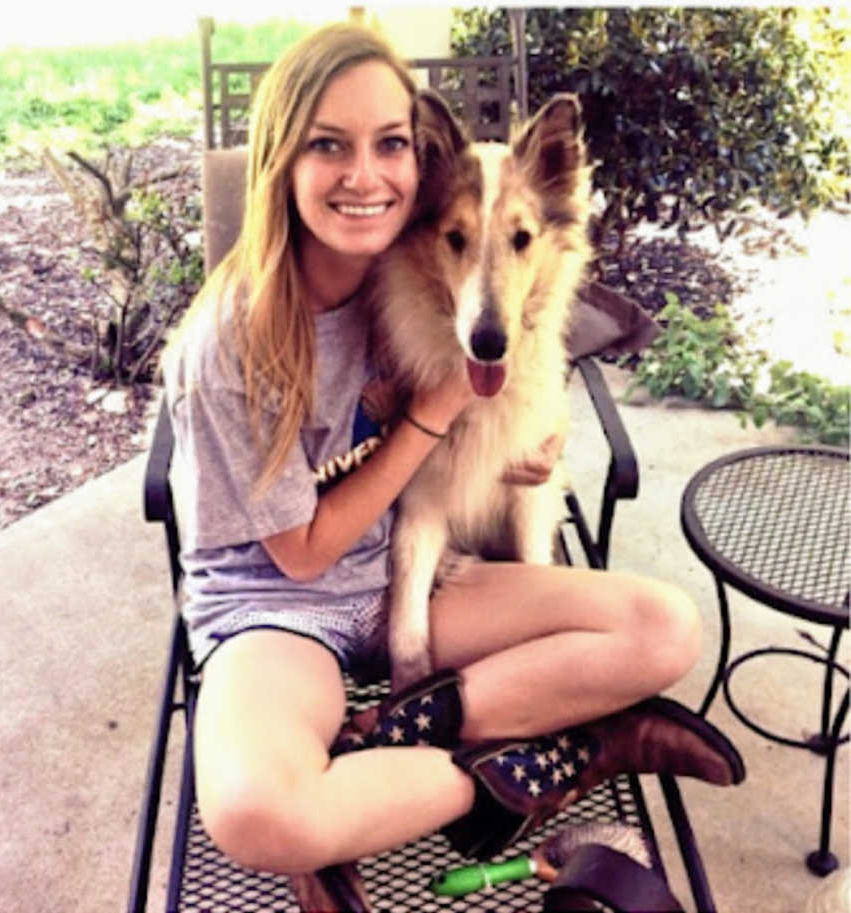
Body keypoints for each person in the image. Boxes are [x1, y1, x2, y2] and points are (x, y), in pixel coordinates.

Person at [162, 20, 744, 907]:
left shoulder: (404, 268)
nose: (366, 176)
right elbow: (305, 553)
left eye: (389, 144)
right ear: (280, 161)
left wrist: (515, 444)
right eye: (329, 146)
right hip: (274, 603)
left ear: (418, 162)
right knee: (253, 813)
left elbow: (514, 333)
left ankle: (396, 745)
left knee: (666, 628)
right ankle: (568, 751)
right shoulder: (231, 339)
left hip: (424, 564)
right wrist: (438, 410)